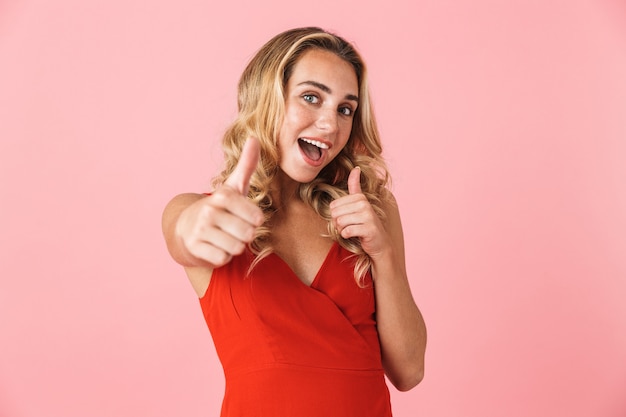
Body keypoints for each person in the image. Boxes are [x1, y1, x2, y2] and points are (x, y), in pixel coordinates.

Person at [162, 27, 426, 416]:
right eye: (310, 97)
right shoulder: (205, 212)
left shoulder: (369, 209)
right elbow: (183, 233)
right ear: (267, 100)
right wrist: (196, 226)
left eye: (345, 109)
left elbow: (409, 371)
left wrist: (383, 254)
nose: (330, 125)